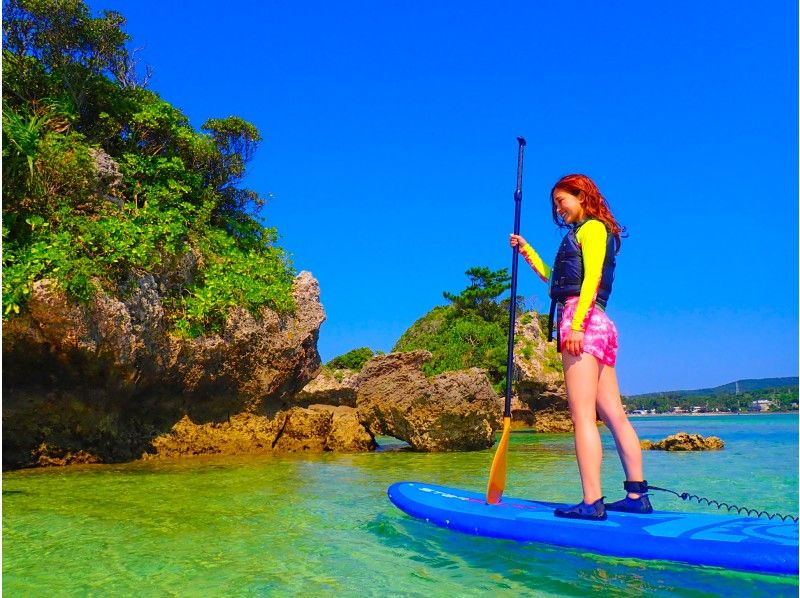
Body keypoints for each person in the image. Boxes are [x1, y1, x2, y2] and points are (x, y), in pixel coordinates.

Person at [509, 173, 652, 521]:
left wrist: (574, 326)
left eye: (562, 200)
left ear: (581, 195)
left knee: (582, 417)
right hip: (599, 324)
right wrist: (526, 250)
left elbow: (589, 281)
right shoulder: (587, 232)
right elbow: (555, 278)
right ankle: (636, 496)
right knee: (614, 415)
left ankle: (592, 501)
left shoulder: (593, 228)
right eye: (555, 203)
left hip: (582, 320)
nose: (558, 208)